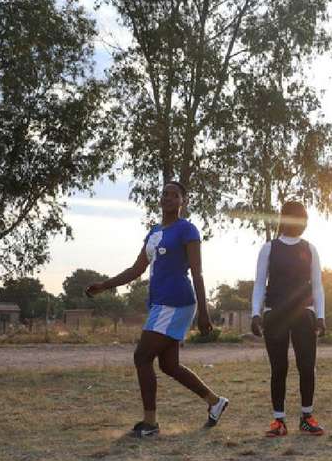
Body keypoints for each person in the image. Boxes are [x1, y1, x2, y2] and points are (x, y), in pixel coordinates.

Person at [86, 181, 229, 438]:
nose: (168, 198)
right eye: (164, 194)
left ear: (183, 201)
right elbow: (136, 270)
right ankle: (214, 401)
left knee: (142, 357)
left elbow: (197, 271)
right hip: (160, 303)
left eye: (174, 195)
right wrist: (105, 285)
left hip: (176, 300)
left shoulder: (187, 229)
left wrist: (205, 312)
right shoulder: (153, 232)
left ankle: (150, 423)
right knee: (169, 365)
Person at [251, 201, 326, 437]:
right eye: (295, 217)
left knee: (307, 366)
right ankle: (279, 421)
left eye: (303, 218)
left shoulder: (310, 249)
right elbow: (259, 284)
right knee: (279, 368)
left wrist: (321, 315)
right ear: (284, 219)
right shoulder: (269, 248)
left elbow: (318, 286)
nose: (300, 222)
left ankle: (307, 417)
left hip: (304, 314)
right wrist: (256, 312)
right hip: (275, 314)